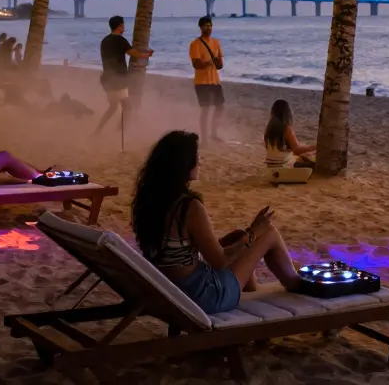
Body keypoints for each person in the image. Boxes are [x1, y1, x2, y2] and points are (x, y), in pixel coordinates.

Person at [131, 131, 302, 314]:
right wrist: (253, 232)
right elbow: (219, 262)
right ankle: (297, 285)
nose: (200, 162)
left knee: (238, 236)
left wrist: (243, 238)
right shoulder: (189, 207)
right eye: (196, 158)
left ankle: (252, 293)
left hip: (171, 288)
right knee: (268, 233)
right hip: (203, 295)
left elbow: (179, 251)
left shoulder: (150, 201)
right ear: (183, 164)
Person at [95, 15, 153, 136]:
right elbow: (133, 53)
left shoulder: (105, 41)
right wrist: (147, 55)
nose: (124, 27)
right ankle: (121, 132)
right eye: (123, 24)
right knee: (127, 107)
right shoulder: (120, 40)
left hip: (106, 79)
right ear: (120, 26)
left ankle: (98, 130)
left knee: (113, 107)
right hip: (118, 80)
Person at [189, 16, 225, 143]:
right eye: (205, 25)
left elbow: (220, 65)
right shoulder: (195, 44)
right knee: (206, 109)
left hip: (215, 80)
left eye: (210, 25)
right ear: (200, 27)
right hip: (201, 82)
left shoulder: (216, 42)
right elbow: (196, 64)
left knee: (220, 107)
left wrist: (217, 62)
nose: (208, 28)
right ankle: (204, 137)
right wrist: (209, 62)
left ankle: (213, 133)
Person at [263, 100, 315, 169]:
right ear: (287, 113)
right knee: (314, 164)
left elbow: (278, 149)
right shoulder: (286, 128)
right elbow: (297, 150)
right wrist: (315, 147)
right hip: (284, 166)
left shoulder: (269, 128)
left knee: (303, 156)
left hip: (271, 165)